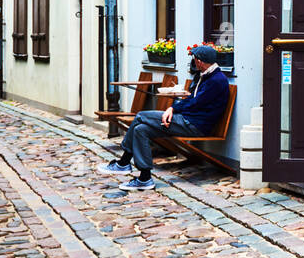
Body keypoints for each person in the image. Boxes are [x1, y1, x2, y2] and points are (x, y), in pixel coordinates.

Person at [99, 44, 231, 191]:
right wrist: (175, 108)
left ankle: (123, 163)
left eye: (194, 59)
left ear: (199, 61)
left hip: (194, 125)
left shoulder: (216, 80)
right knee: (141, 130)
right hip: (187, 120)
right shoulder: (205, 76)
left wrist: (172, 108)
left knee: (141, 116)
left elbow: (195, 103)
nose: (193, 61)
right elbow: (193, 99)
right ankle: (145, 178)